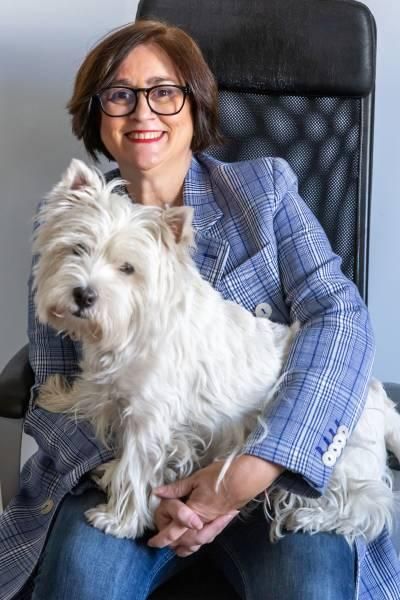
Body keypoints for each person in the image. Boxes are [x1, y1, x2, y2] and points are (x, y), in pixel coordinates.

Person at [0, 18, 399, 600]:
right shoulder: (72, 215)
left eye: (164, 92)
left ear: (197, 104)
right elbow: (57, 385)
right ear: (95, 114)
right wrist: (150, 489)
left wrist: (253, 469)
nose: (143, 112)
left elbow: (340, 318)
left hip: (275, 467)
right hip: (125, 471)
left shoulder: (264, 191)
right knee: (83, 580)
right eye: (119, 94)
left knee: (312, 585)